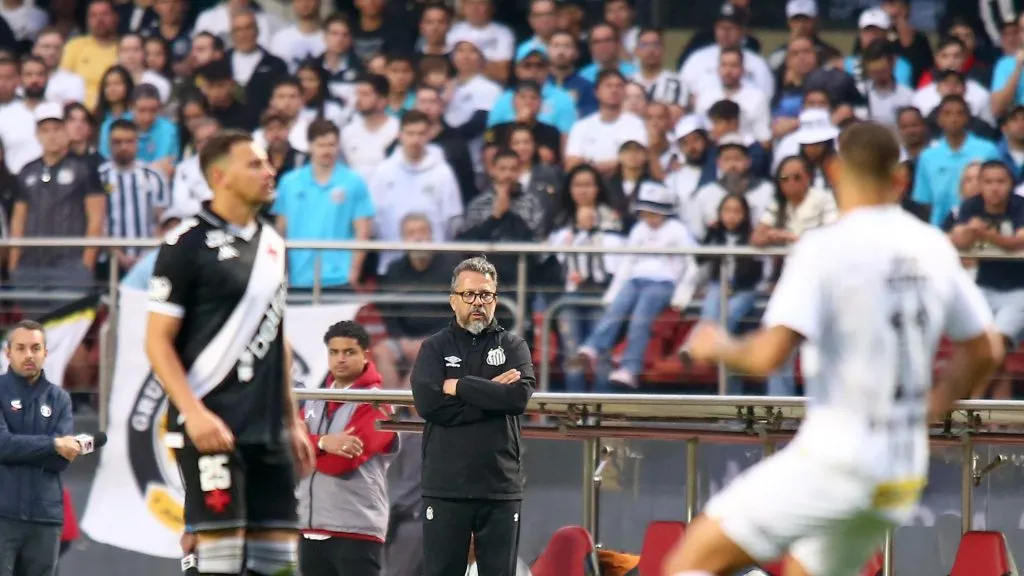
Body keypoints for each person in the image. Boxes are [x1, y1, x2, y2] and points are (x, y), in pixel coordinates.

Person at [663, 122, 1004, 576]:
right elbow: (986, 350)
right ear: (901, 178)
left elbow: (768, 356)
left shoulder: (825, 247)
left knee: (686, 563)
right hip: (900, 472)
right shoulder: (932, 246)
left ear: (835, 171)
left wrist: (716, 345)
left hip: (838, 461)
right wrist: (930, 411)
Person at [144, 130, 316, 576]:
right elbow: (156, 340)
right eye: (255, 164)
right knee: (219, 561)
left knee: (279, 564)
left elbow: (276, 334)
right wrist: (193, 413)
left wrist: (292, 420)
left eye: (267, 163)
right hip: (212, 429)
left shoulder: (274, 243)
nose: (269, 171)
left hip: (269, 432)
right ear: (219, 175)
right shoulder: (185, 244)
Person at [410, 256, 535, 576]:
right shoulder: (434, 348)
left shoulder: (514, 346)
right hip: (446, 486)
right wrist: (492, 395)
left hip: (500, 487)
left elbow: (517, 398)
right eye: (469, 295)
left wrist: (459, 385)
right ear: (454, 300)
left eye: (486, 295)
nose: (478, 303)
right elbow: (429, 404)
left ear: (495, 299)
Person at [298, 321, 399, 576]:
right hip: (308, 528)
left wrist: (306, 445)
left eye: (349, 352)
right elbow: (288, 451)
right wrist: (324, 443)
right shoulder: (313, 398)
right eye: (334, 352)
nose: (340, 359)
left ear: (365, 355)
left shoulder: (378, 402)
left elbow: (341, 463)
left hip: (357, 530)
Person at [0, 320, 80, 576]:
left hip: (45, 518)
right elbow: (2, 445)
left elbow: (61, 461)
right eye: (21, 348)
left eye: (35, 348)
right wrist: (52, 444)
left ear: (46, 353)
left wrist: (21, 448)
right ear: (7, 352)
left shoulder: (60, 399)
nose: (28, 355)